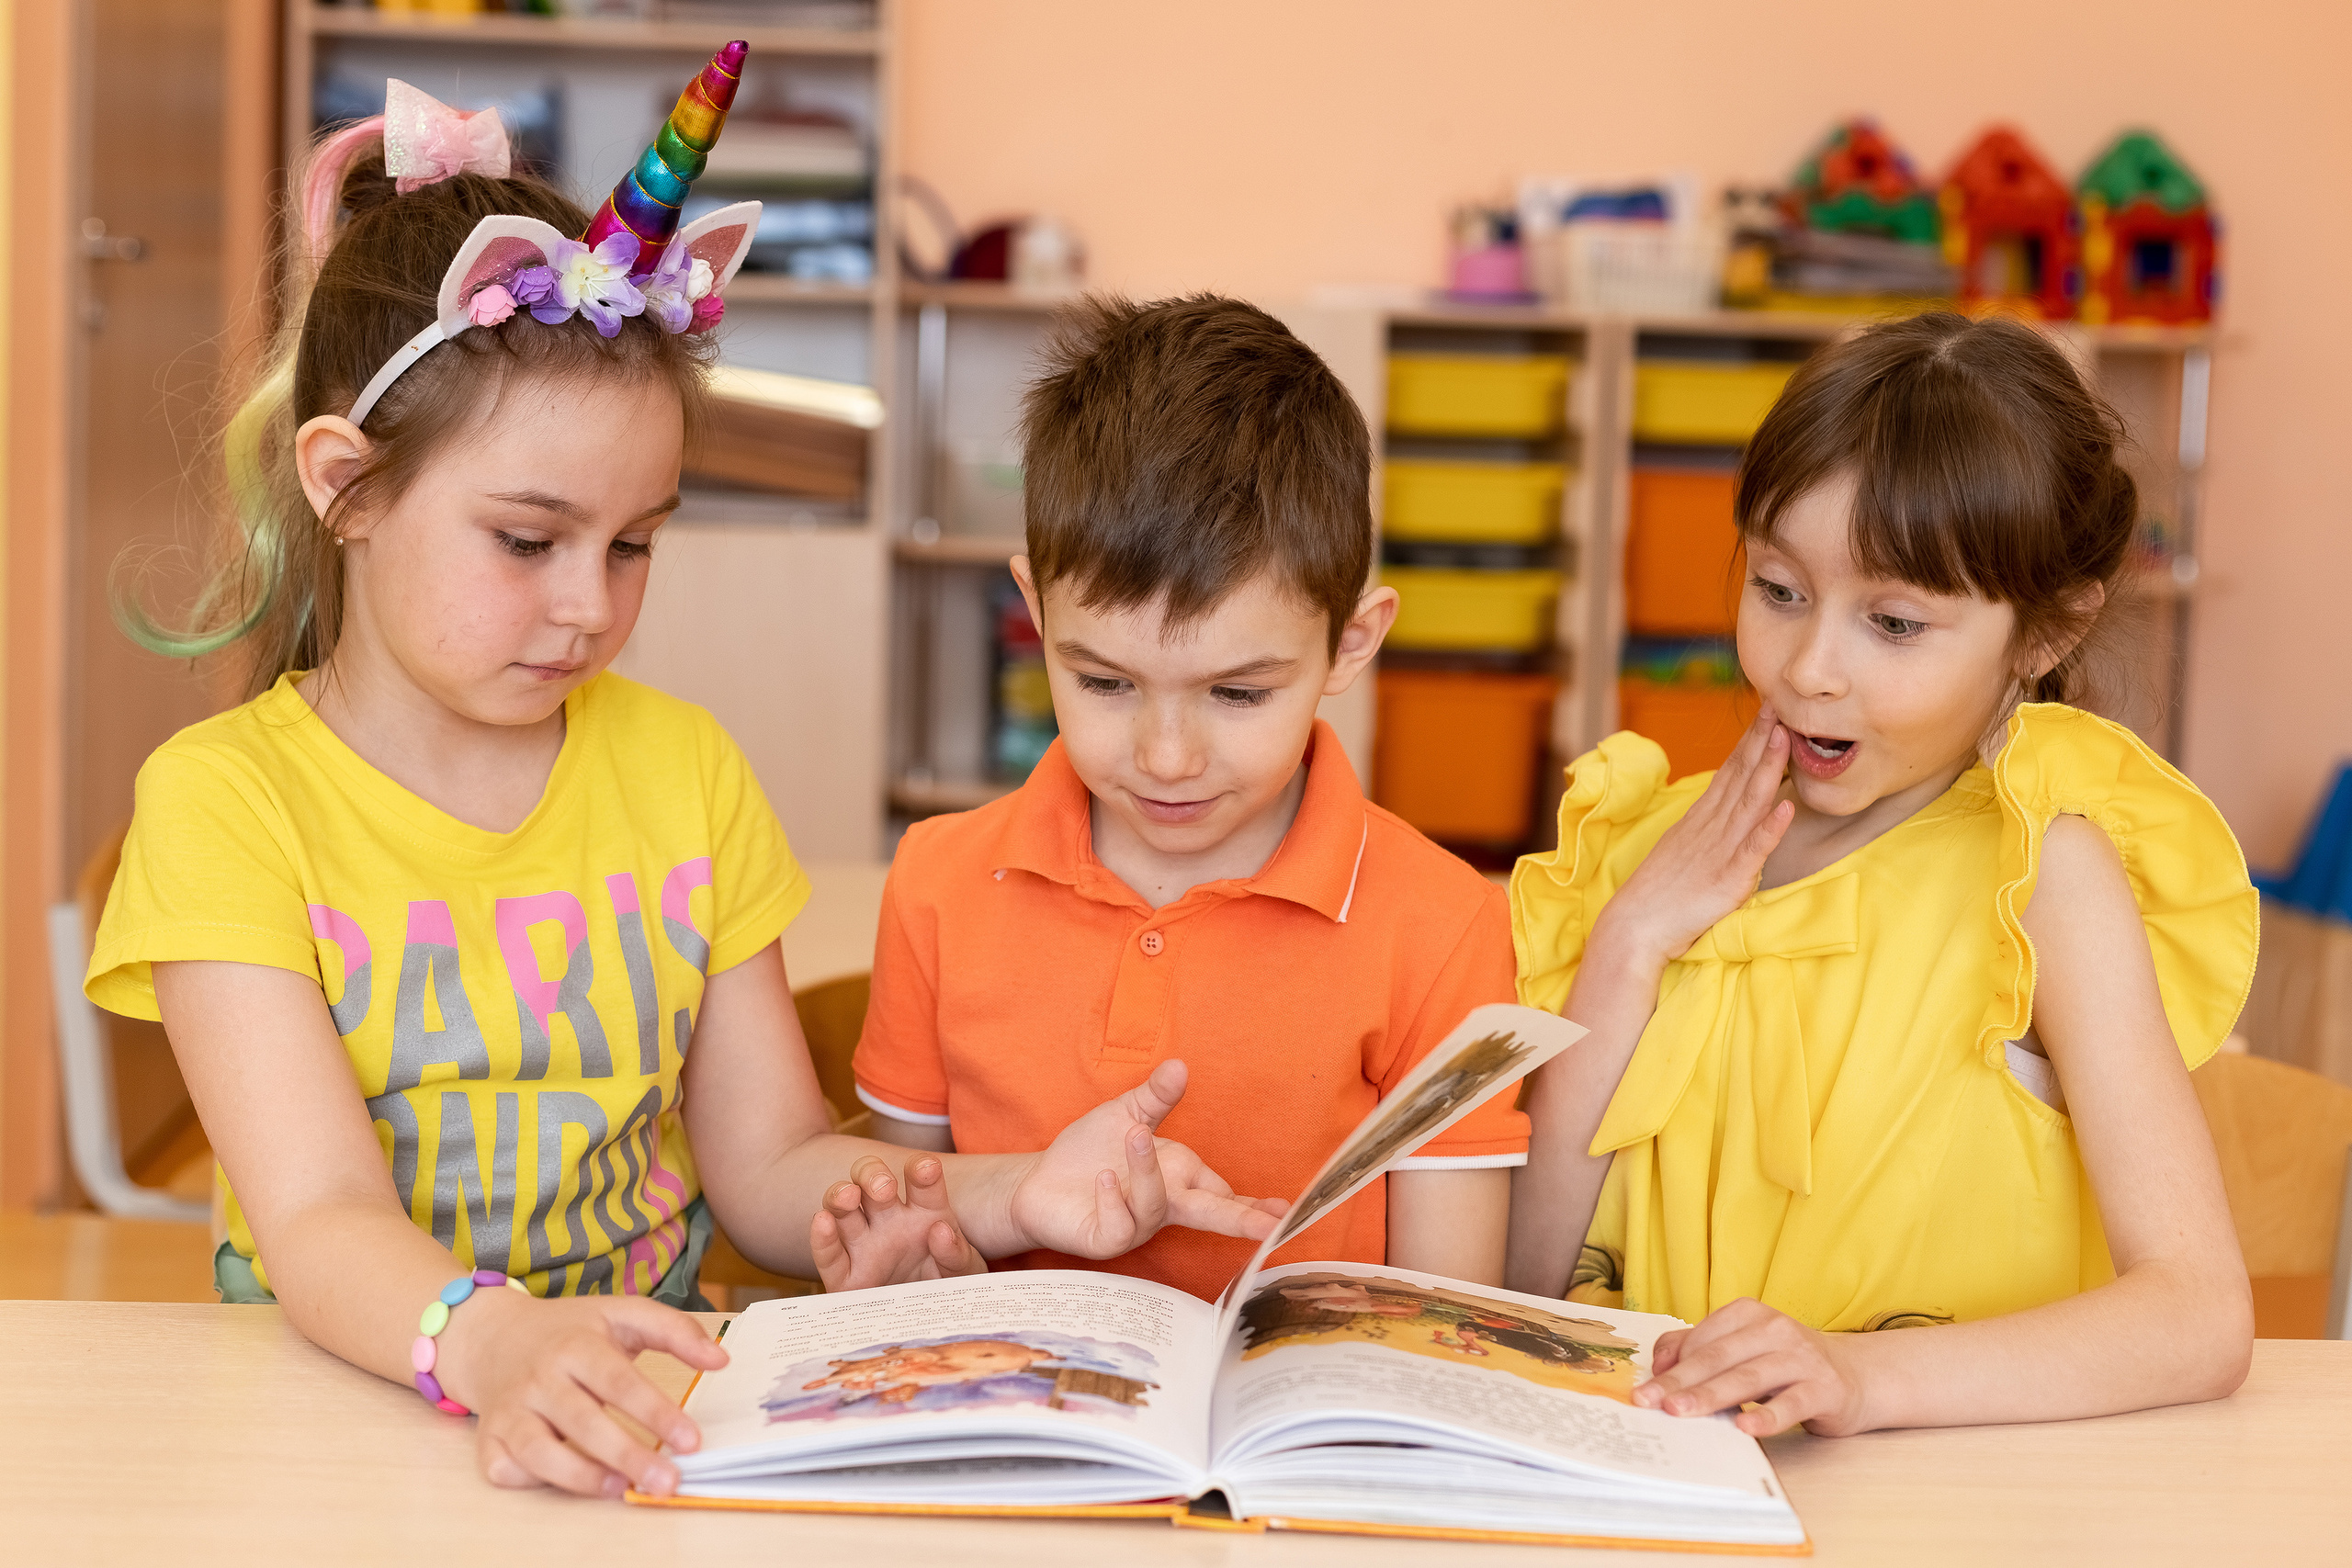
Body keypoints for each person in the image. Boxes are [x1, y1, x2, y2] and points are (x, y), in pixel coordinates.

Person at [84, 72, 1277, 1504]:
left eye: (636, 541)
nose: (590, 603)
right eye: (529, 540)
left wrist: (1009, 1189)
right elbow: (321, 1213)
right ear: (345, 486)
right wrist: (504, 1339)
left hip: (663, 1414)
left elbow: (767, 1159)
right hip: (350, 1419)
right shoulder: (225, 802)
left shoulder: (685, 768)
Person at [1505, 313, 2258, 1437]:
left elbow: (2197, 1317)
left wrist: (1858, 1378)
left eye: (1894, 623)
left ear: (2044, 634)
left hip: (1947, 1502)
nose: (1810, 669)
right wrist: (1628, 941)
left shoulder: (2042, 875)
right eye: (1778, 590)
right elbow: (1516, 1285)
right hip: (1654, 1478)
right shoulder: (1641, 844)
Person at [828, 295, 1531, 1302]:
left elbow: (1445, 1317)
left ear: (1351, 644)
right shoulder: (938, 885)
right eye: (1106, 683)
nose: (1165, 758)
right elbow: (915, 1236)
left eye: (1238, 694)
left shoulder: (1443, 925)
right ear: (1032, 610)